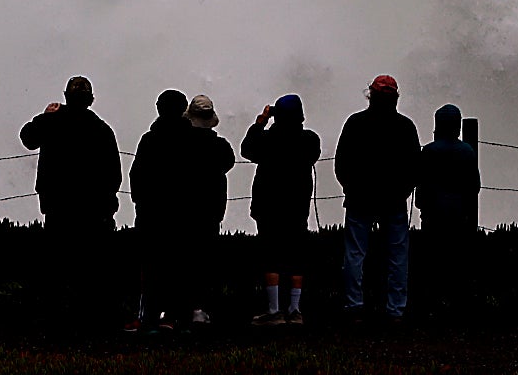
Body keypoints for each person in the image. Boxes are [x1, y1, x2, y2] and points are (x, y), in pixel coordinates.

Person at [17, 75, 120, 330]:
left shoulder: (53, 122)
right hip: (91, 208)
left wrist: (45, 115)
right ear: (91, 100)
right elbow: (113, 173)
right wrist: (108, 203)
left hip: (57, 204)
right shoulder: (101, 129)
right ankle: (88, 316)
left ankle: (53, 316)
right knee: (89, 265)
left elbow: (28, 137)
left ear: (65, 96)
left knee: (56, 262)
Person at [129, 93, 232, 329]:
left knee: (155, 265)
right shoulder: (199, 142)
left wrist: (140, 202)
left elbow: (137, 175)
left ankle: (153, 314)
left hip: (153, 212)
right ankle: (182, 312)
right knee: (188, 263)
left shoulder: (150, 139)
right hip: (189, 212)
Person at [332, 74, 417, 321]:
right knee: (397, 255)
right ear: (396, 98)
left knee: (355, 253)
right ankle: (395, 308)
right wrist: (403, 191)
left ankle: (354, 304)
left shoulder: (356, 123)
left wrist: (351, 188)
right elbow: (413, 166)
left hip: (360, 199)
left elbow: (342, 163)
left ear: (371, 95)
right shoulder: (405, 127)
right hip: (394, 200)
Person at [240, 94, 320, 324]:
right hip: (297, 205)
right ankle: (295, 311)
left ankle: (274, 311)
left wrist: (260, 123)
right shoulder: (309, 140)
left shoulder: (267, 139)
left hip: (269, 205)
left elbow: (247, 149)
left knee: (270, 255)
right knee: (296, 255)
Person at [414, 104, 480, 320]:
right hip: (460, 215)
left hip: (433, 215)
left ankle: (430, 306)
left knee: (432, 260)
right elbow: (474, 185)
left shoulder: (430, 151)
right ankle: (459, 307)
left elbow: (421, 182)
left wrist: (422, 204)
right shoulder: (467, 151)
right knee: (458, 261)